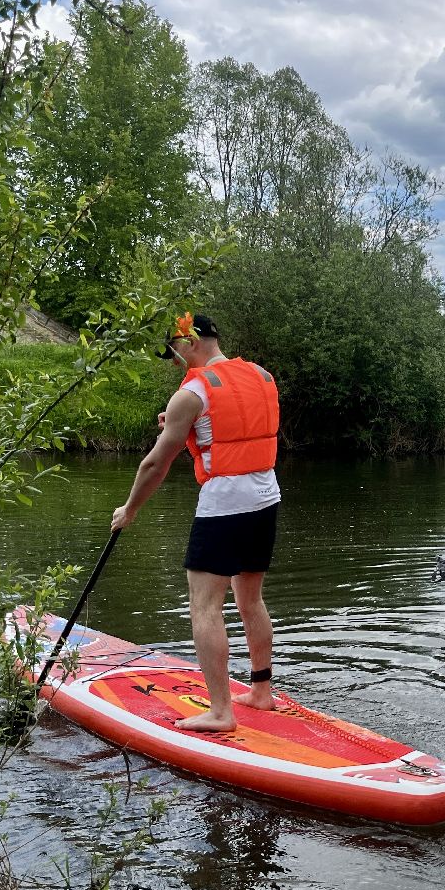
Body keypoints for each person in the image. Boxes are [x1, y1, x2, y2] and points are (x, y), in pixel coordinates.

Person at [110, 312, 281, 733]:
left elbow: (154, 464)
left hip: (225, 503)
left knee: (205, 606)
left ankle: (221, 712)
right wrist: (186, 427)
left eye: (172, 352)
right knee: (250, 599)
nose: (173, 362)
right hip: (267, 496)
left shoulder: (192, 392)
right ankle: (261, 692)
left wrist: (129, 509)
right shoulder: (260, 374)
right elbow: (234, 430)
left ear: (189, 341)